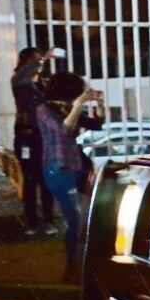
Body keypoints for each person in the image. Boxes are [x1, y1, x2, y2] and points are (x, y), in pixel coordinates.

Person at [35, 73, 99, 277]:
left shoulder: (65, 108)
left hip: (77, 168)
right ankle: (72, 266)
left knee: (99, 205)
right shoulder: (43, 110)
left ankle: (88, 258)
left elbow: (96, 124)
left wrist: (98, 104)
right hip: (58, 170)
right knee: (75, 220)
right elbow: (63, 130)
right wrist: (78, 105)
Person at [11, 47, 57, 236]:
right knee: (30, 181)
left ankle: (48, 221)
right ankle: (32, 223)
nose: (38, 64)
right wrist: (43, 58)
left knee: (46, 180)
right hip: (26, 137)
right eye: (34, 60)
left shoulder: (42, 84)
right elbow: (24, 75)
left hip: (44, 136)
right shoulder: (19, 81)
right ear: (25, 62)